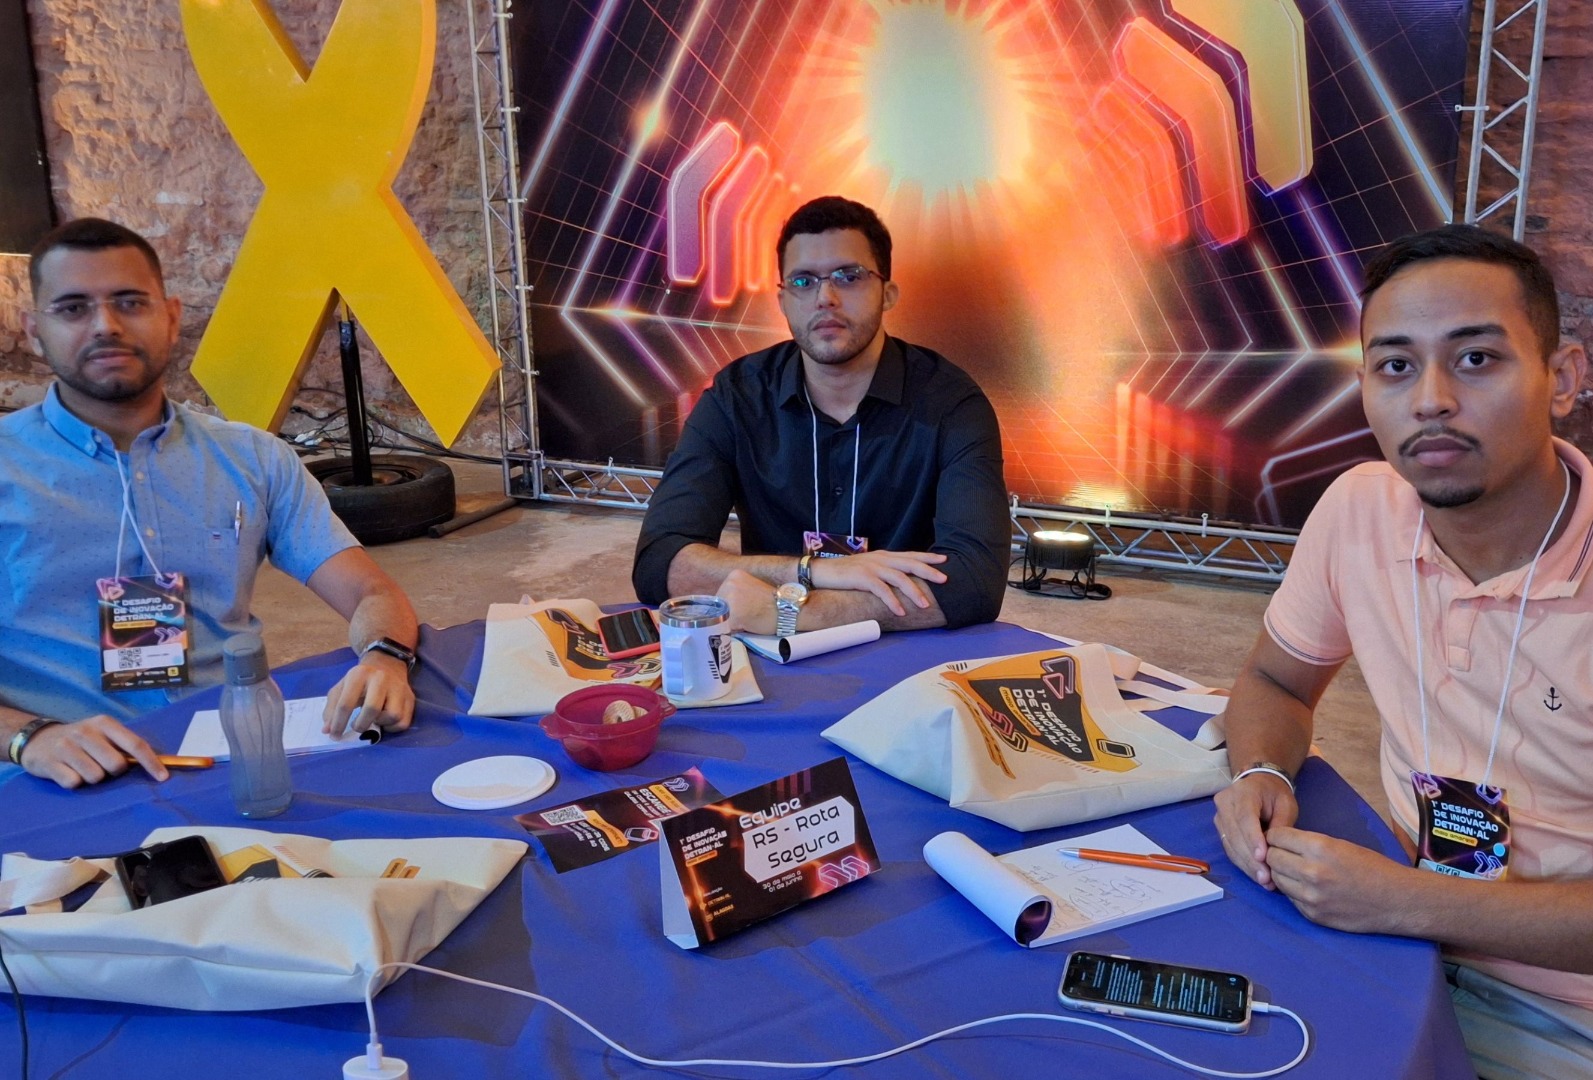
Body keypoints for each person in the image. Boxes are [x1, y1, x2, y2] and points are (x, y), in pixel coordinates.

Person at [1212, 224, 1593, 1077]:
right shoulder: (1360, 509)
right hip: (1387, 943)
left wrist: (1408, 902)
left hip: (1566, 1008)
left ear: (1562, 378)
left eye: (1474, 359)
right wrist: (1261, 773)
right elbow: (1274, 678)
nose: (1429, 400)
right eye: (1394, 366)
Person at [1, 217, 421, 790]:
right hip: (61, 779)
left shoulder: (252, 459)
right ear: (33, 330)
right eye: (73, 308)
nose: (106, 325)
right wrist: (27, 737)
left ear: (172, 317)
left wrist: (384, 656)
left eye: (130, 302)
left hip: (229, 759)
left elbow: (371, 592)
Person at [632, 196, 1009, 635]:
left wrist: (793, 612)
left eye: (849, 277)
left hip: (905, 646)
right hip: (771, 650)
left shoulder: (951, 404)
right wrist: (814, 571)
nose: (825, 298)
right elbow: (660, 562)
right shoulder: (737, 398)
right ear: (783, 300)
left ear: (887, 293)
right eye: (803, 281)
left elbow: (975, 581)